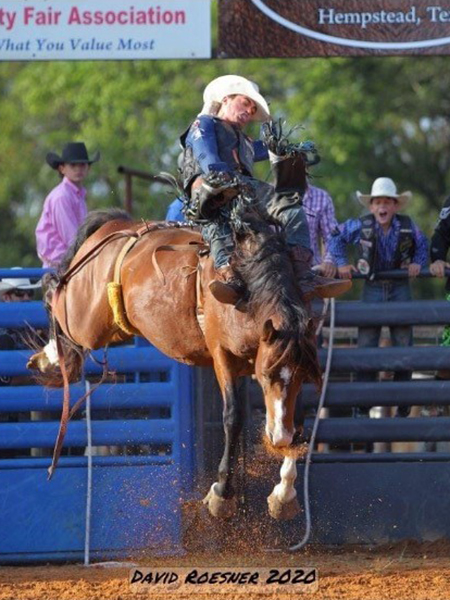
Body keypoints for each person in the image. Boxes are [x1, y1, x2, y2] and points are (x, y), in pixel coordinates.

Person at [179, 74, 351, 306]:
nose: (249, 111)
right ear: (226, 99)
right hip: (211, 188)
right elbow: (205, 153)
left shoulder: (245, 141)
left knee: (290, 207)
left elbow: (268, 152)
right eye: (245, 102)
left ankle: (303, 274)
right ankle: (228, 275)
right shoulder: (204, 124)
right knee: (219, 211)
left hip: (243, 189)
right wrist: (219, 176)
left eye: (253, 108)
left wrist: (284, 151)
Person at [329, 177, 429, 418]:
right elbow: (335, 237)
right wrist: (341, 263)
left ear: (395, 206)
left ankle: (403, 406)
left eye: (387, 202)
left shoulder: (407, 225)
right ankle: (363, 406)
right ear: (371, 207)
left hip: (399, 285)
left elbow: (423, 244)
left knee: (404, 344)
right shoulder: (360, 225)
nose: (382, 207)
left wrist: (418, 262)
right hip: (372, 286)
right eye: (378, 202)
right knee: (367, 346)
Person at [35, 142, 100, 268]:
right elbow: (72, 239)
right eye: (73, 165)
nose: (78, 169)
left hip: (71, 263)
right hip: (60, 268)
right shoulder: (61, 197)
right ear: (62, 168)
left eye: (82, 164)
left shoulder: (77, 195)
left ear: (88, 168)